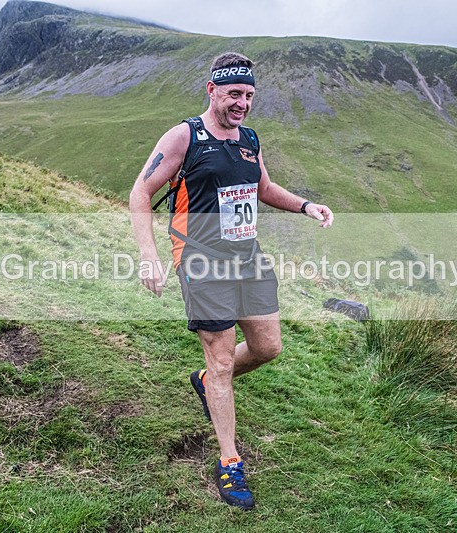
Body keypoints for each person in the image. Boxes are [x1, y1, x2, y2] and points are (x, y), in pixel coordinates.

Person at [129, 52, 333, 510]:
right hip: (200, 260)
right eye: (234, 94)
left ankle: (206, 382)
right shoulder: (185, 136)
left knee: (268, 348)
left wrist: (305, 206)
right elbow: (141, 192)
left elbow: (262, 188)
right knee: (222, 361)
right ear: (212, 90)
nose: (241, 103)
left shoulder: (249, 139)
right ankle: (230, 462)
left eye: (249, 96)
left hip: (248, 258)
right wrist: (149, 256)